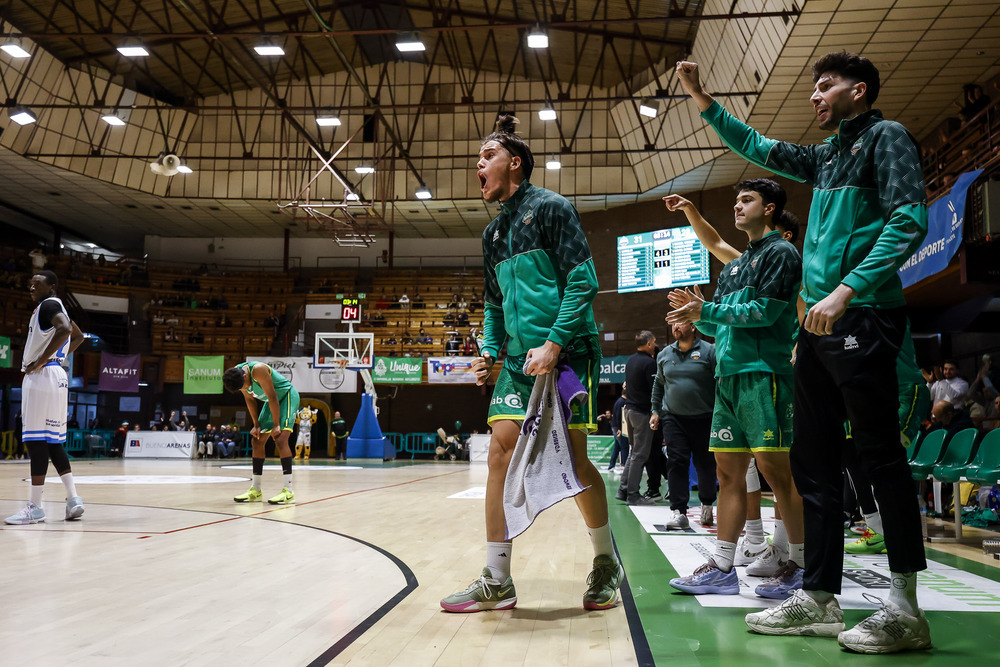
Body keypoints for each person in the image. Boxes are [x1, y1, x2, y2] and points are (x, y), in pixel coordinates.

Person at [675, 51, 931, 652]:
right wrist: (701, 97)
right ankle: (818, 596)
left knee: (879, 460)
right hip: (815, 333)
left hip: (863, 315)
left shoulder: (885, 138)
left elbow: (909, 219)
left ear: (859, 90)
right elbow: (759, 146)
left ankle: (905, 605)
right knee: (814, 464)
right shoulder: (826, 156)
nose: (815, 97)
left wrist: (846, 291)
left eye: (826, 86)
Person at [440, 113, 623, 614]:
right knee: (500, 450)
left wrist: (555, 343)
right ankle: (497, 577)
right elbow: (493, 304)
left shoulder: (552, 209)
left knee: (577, 462)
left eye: (486, 156)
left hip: (568, 354)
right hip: (521, 362)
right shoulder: (492, 235)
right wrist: (490, 351)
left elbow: (583, 281)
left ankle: (606, 561)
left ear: (514, 163)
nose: (477, 165)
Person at [665, 180, 805, 601]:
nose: (737, 206)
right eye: (736, 201)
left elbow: (764, 312)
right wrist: (698, 314)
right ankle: (723, 567)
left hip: (765, 375)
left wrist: (707, 309)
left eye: (747, 200)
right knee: (728, 475)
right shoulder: (734, 267)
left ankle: (798, 565)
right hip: (728, 379)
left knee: (778, 476)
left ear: (770, 209)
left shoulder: (782, 252)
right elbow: (718, 323)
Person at [5, 270, 85, 525]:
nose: (31, 288)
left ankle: (35, 506)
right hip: (58, 375)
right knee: (52, 442)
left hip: (43, 377)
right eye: (29, 284)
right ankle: (73, 500)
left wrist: (40, 360)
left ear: (51, 286)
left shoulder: (48, 305)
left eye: (36, 284)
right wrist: (57, 358)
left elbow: (64, 330)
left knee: (37, 441)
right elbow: (78, 336)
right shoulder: (56, 306)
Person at [650, 320, 718, 529]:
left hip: (705, 418)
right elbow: (659, 384)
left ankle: (707, 505)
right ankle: (678, 511)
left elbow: (720, 383)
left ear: (693, 326)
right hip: (673, 418)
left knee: (705, 464)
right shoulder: (664, 355)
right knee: (676, 462)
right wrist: (654, 411)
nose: (675, 327)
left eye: (680, 322)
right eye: (672, 323)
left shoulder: (709, 351)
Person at [223, 361, 300, 504]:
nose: (245, 389)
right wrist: (256, 425)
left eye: (244, 386)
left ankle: (288, 491)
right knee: (257, 441)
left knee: (280, 439)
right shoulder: (235, 375)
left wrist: (276, 425)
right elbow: (249, 399)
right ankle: (256, 490)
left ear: (246, 376)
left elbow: (273, 397)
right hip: (271, 402)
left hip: (286, 396)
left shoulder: (258, 370)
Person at [615, 331, 659, 507]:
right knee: (640, 455)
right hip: (641, 413)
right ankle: (633, 495)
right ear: (649, 343)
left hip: (629, 411)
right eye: (654, 342)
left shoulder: (631, 360)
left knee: (634, 452)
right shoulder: (649, 363)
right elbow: (654, 390)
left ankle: (623, 489)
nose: (655, 345)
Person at [607, 384, 629, 470]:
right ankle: (625, 465)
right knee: (624, 446)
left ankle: (611, 465)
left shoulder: (618, 401)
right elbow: (619, 416)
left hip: (615, 427)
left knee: (617, 447)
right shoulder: (622, 402)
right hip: (618, 427)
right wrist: (620, 429)